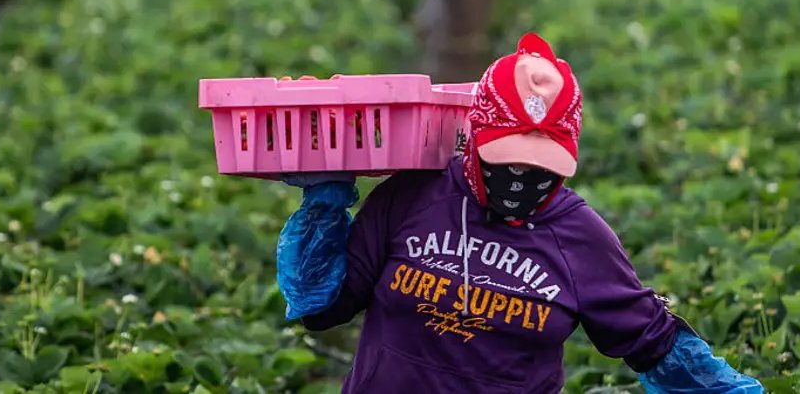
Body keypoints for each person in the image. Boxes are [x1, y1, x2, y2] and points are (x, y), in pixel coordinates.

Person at [275, 33, 765, 393]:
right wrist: (322, 203)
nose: (521, 180)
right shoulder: (413, 196)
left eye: (541, 168)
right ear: (473, 138)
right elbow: (324, 308)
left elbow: (655, 345)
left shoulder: (579, 238)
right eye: (505, 162)